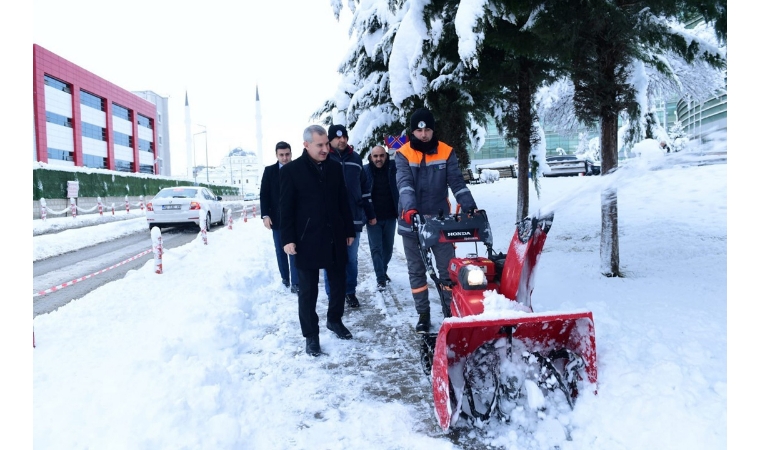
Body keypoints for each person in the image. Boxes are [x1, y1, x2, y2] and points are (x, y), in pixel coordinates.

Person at [395, 107, 478, 333]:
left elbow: (457, 183)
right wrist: (410, 210)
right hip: (411, 223)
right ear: (413, 131)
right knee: (417, 271)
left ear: (433, 130)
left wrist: (470, 207)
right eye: (419, 130)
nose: (423, 135)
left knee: (446, 271)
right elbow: (404, 184)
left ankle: (449, 311)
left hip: (441, 224)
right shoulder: (403, 154)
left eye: (428, 129)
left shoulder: (446, 152)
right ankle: (423, 313)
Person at [280, 125, 356, 357]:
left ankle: (334, 320)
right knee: (308, 291)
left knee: (338, 283)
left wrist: (349, 230)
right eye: (320, 145)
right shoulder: (292, 171)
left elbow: (343, 200)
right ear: (306, 145)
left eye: (326, 144)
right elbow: (286, 208)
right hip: (306, 239)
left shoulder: (334, 168)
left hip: (334, 236)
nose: (326, 149)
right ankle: (311, 335)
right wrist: (288, 239)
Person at [323, 124, 376, 308]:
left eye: (344, 136)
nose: (342, 140)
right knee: (330, 259)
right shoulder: (324, 158)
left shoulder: (356, 159)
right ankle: (332, 295)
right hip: (330, 220)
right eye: (337, 138)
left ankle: (350, 292)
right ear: (330, 140)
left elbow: (365, 188)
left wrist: (370, 213)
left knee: (350, 259)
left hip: (354, 218)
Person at [260, 141, 298, 293]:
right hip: (276, 219)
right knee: (280, 249)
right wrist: (265, 215)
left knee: (294, 249)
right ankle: (285, 278)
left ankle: (296, 282)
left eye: (287, 154)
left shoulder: (297, 169)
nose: (285, 158)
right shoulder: (269, 171)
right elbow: (264, 195)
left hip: (295, 219)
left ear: (291, 154)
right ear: (276, 155)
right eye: (281, 155)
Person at [363, 145, 399, 292]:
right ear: (371, 157)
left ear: (386, 156)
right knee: (376, 248)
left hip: (390, 216)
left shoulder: (393, 168)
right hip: (373, 218)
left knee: (388, 249)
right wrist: (367, 214)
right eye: (375, 156)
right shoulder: (365, 171)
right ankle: (380, 278)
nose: (378, 159)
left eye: (381, 156)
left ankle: (383, 270)